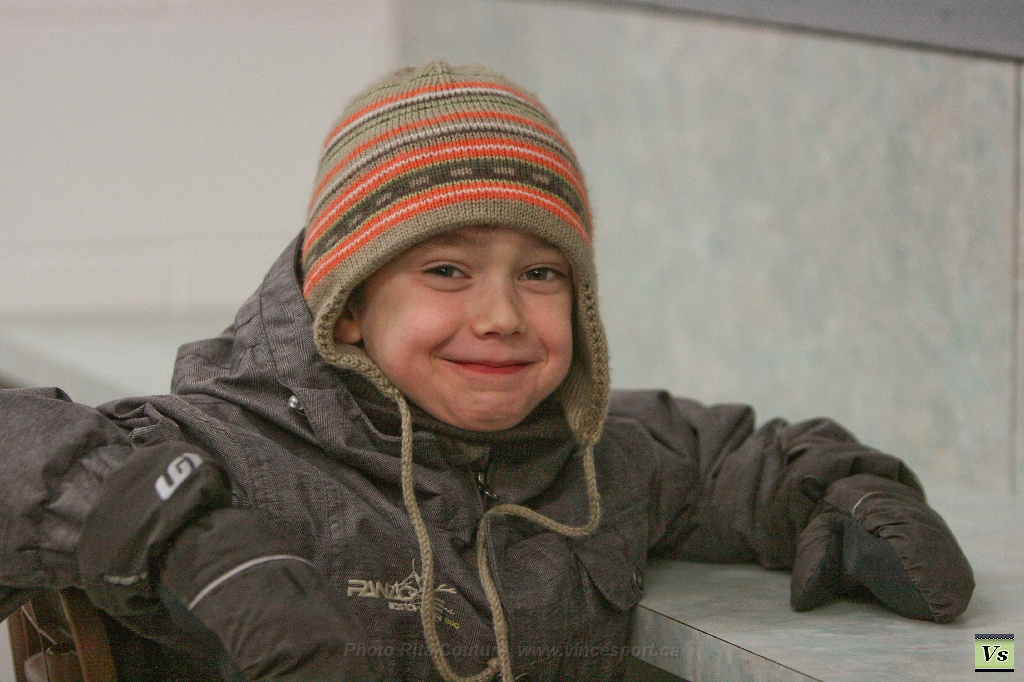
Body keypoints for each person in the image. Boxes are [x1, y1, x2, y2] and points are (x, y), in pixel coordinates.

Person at [0, 62, 974, 682]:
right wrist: (182, 535)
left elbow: (726, 457)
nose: (502, 313)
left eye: (541, 274)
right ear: (347, 302)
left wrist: (843, 498)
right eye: (446, 270)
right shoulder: (220, 450)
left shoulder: (593, 461)